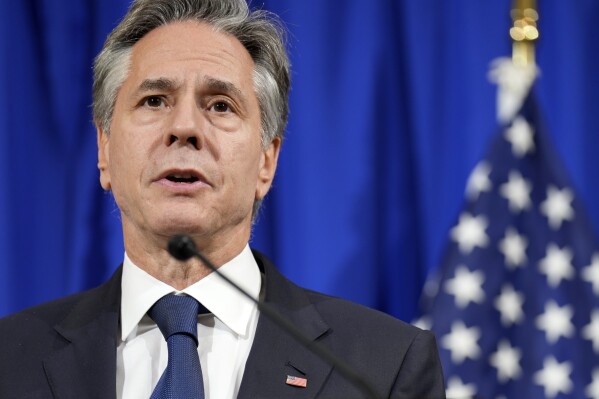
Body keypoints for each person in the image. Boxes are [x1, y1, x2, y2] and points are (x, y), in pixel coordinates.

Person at [0, 0, 445, 398]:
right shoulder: (10, 361)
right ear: (104, 150)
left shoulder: (382, 367)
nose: (185, 127)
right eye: (154, 100)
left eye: (220, 106)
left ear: (266, 161)